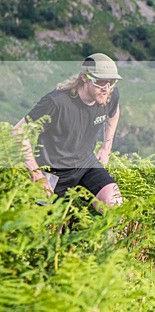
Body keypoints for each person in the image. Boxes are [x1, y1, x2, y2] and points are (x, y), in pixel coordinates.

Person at [15, 53, 123, 211]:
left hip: (86, 164)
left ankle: (105, 236)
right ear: (84, 77)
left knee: (115, 206)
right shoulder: (56, 103)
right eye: (100, 82)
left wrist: (106, 148)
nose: (106, 89)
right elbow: (18, 132)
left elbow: (114, 112)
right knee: (52, 231)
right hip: (53, 171)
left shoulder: (109, 95)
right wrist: (36, 174)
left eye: (111, 82)